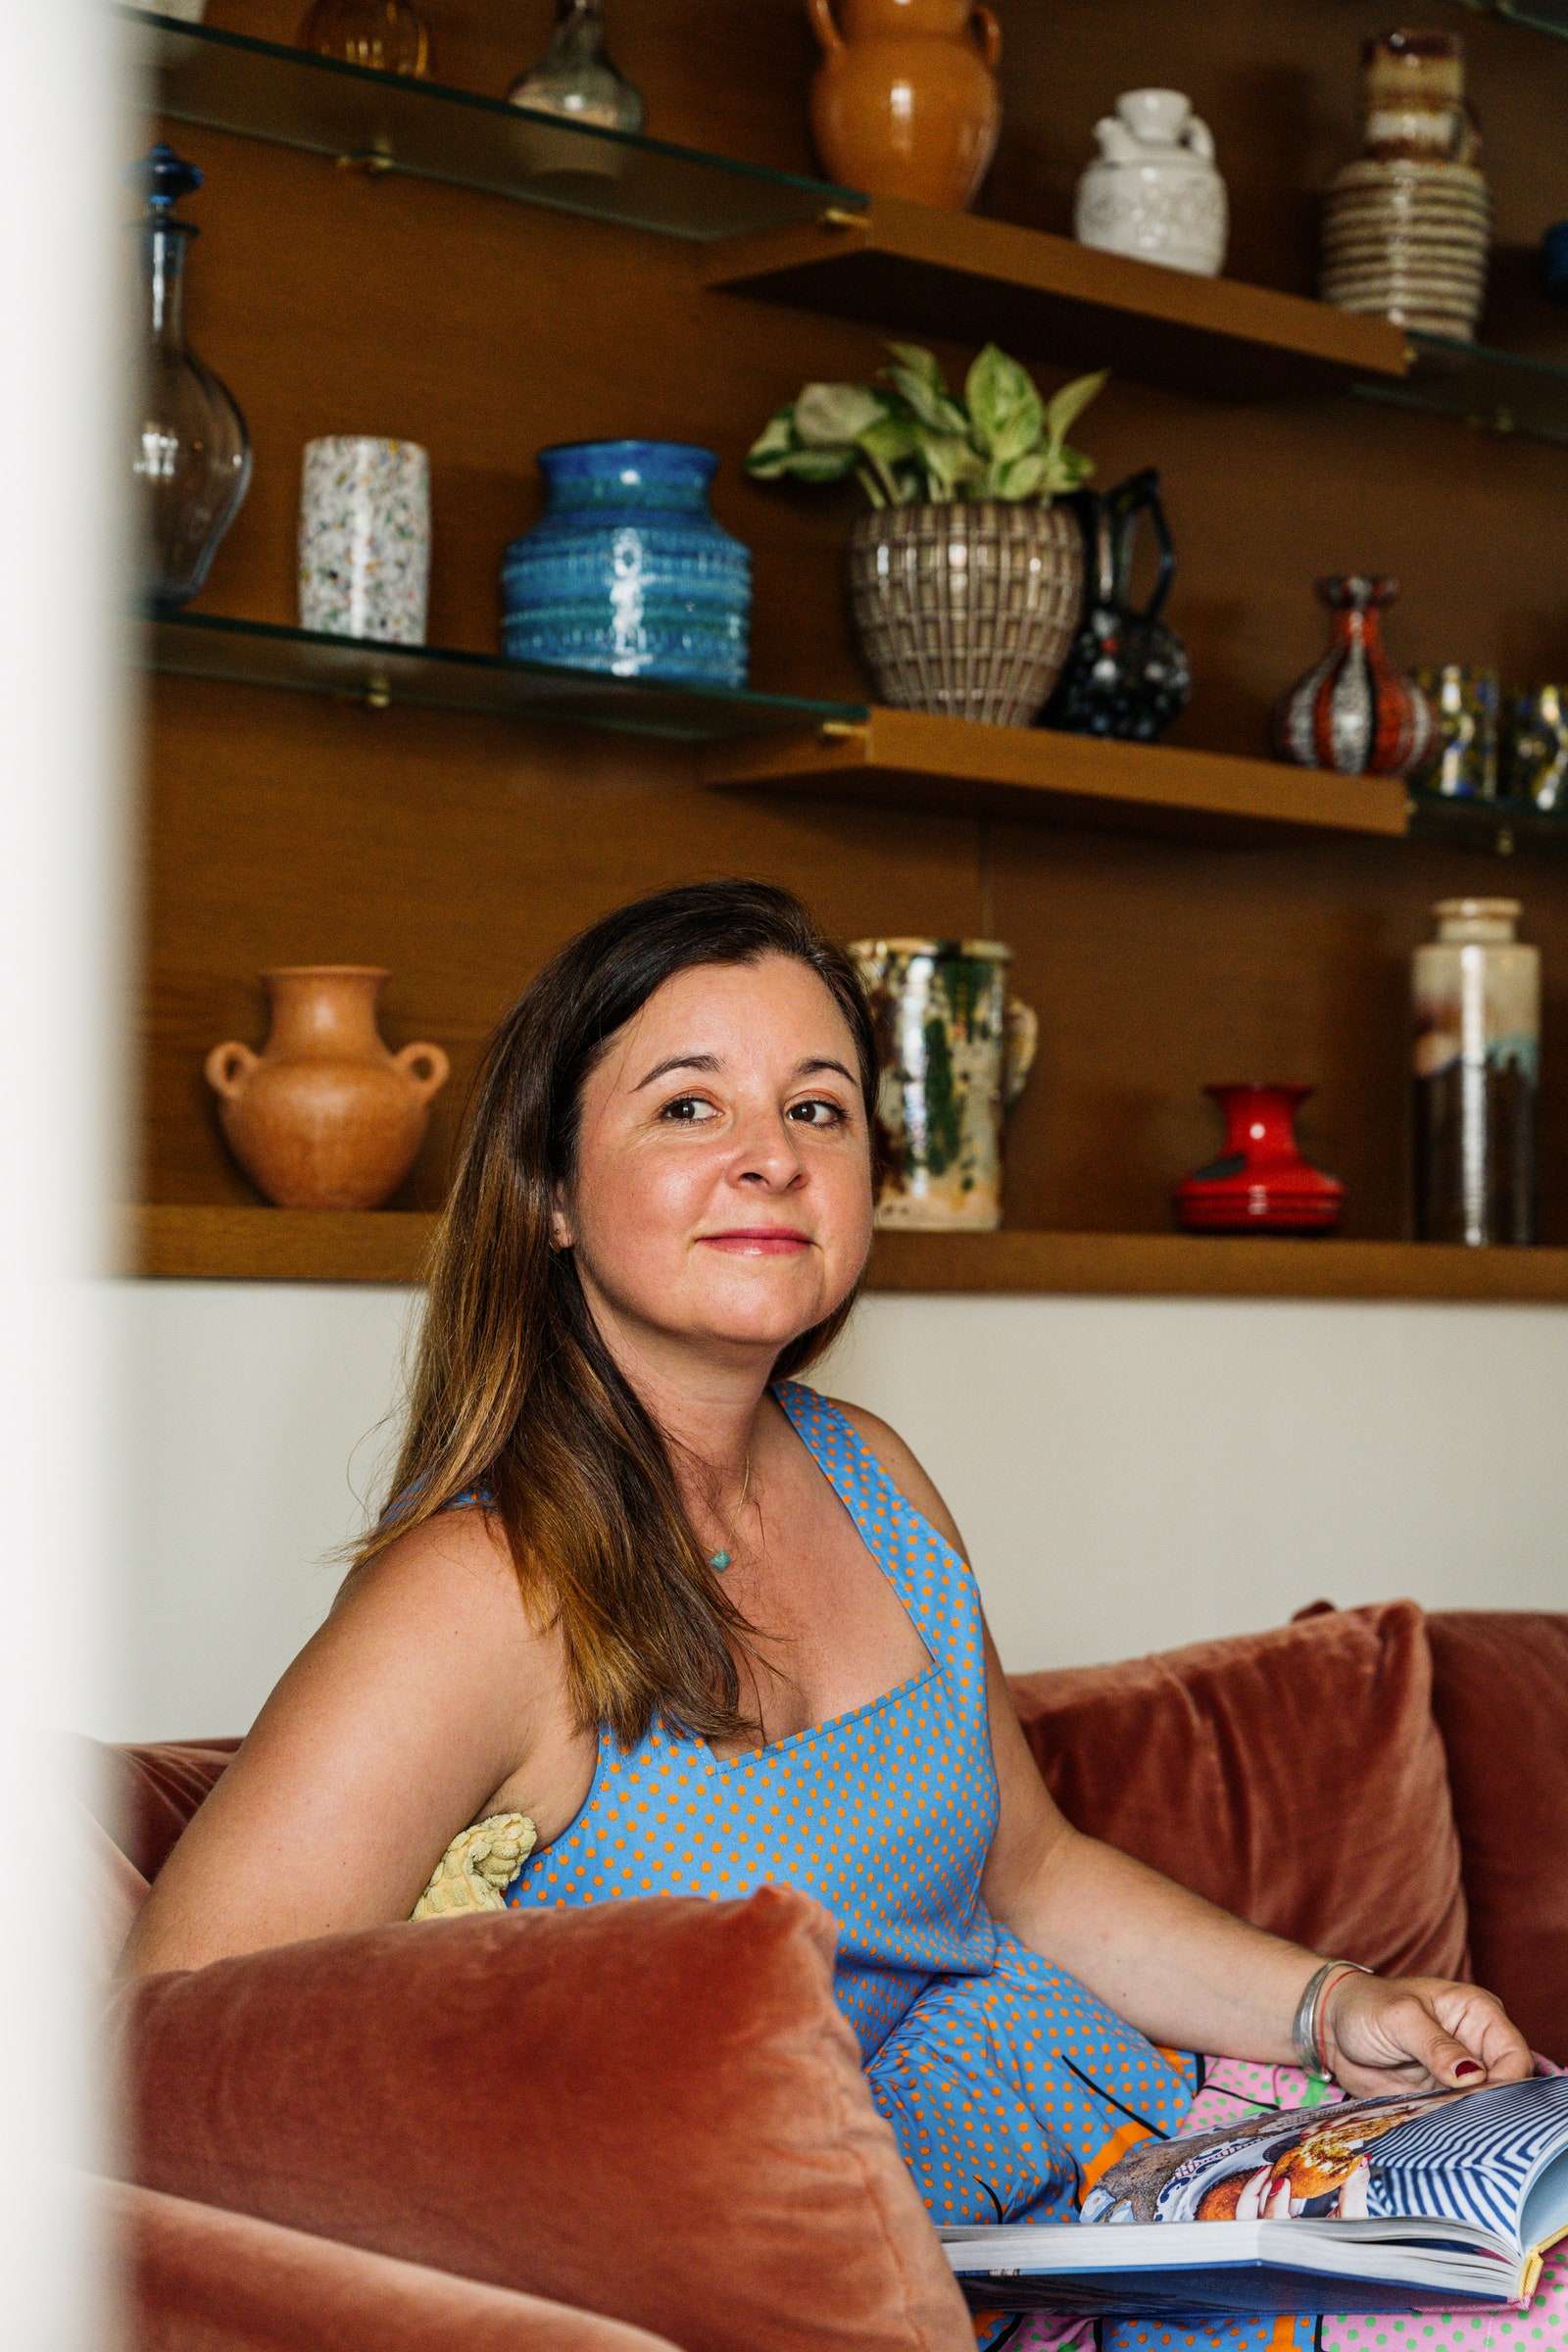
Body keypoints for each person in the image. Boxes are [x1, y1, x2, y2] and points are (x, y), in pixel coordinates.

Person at [123, 879, 1536, 2352]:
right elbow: (172, 2060)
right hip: (870, 2288)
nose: (770, 1161)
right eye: (687, 1108)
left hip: (1135, 2181)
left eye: (820, 1110)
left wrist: (1337, 2009)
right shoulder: (478, 1597)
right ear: (547, 1189)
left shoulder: (874, 1477)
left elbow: (1033, 1872)